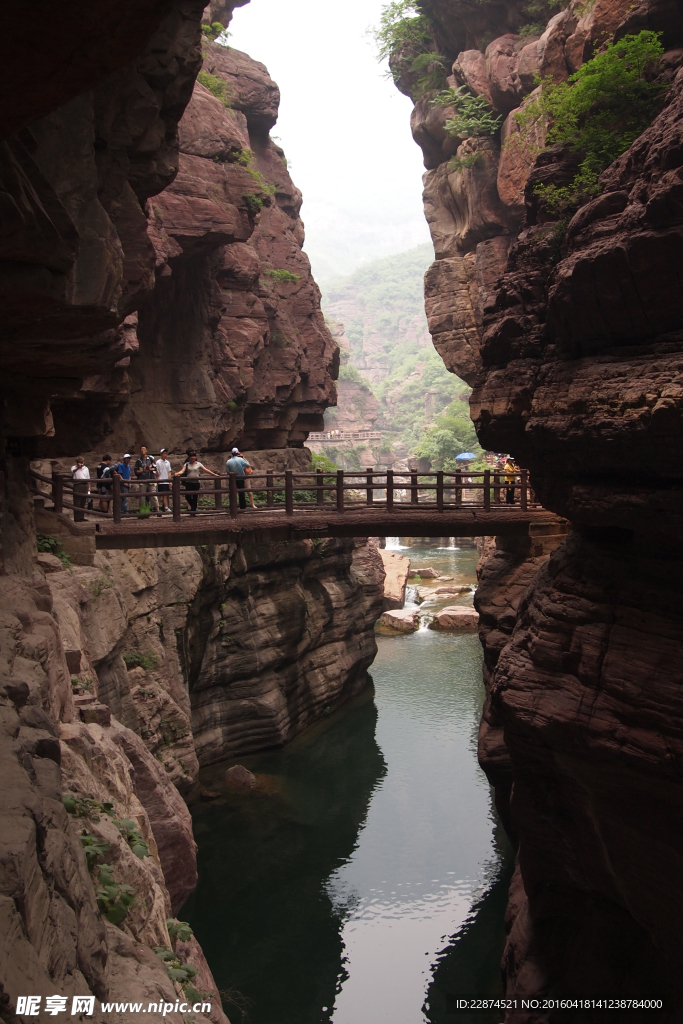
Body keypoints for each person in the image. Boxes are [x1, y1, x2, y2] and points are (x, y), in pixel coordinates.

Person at [134, 444, 158, 512]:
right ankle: (142, 510)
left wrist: (150, 469)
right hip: (142, 480)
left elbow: (155, 468)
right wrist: (143, 470)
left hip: (151, 479)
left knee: (154, 495)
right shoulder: (139, 460)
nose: (142, 451)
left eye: (144, 449)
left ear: (146, 450)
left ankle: (156, 509)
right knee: (142, 497)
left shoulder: (151, 459)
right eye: (141, 449)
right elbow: (136, 471)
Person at [155, 448, 173, 513]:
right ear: (161, 454)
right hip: (160, 480)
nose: (165, 455)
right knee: (160, 495)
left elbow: (169, 472)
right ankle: (157, 507)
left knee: (165, 495)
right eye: (163, 453)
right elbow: (156, 472)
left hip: (166, 481)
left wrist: (170, 481)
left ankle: (165, 507)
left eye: (166, 453)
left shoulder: (168, 462)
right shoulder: (158, 462)